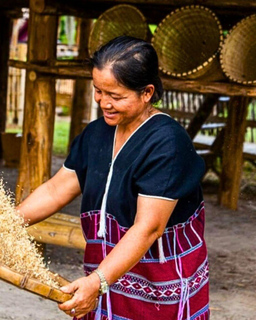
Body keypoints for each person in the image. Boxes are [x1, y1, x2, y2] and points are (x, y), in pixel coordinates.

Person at [16, 36, 209, 320]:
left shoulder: (167, 143)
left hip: (159, 282)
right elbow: (56, 190)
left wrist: (97, 282)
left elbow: (149, 228)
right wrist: (7, 222)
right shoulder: (96, 134)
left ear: (147, 92)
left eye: (116, 96)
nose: (104, 103)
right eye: (98, 91)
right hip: (107, 270)